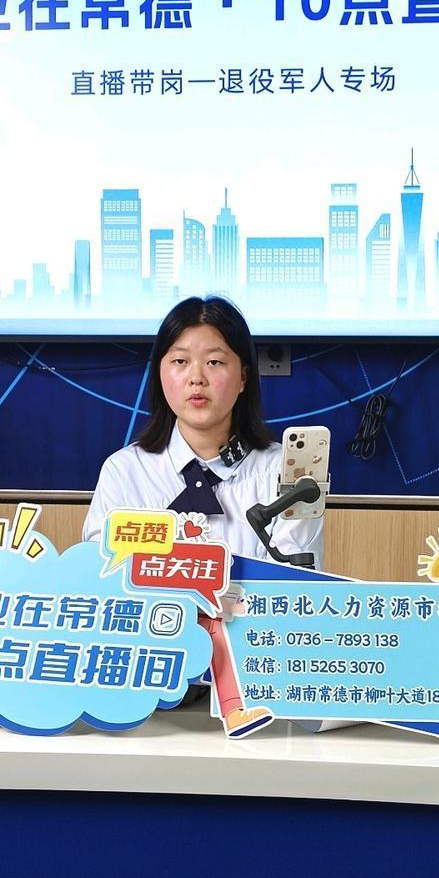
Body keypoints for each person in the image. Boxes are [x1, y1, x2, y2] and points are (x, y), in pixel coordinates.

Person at [82, 296, 324, 736]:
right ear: (160, 374)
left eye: (214, 362)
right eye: (179, 361)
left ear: (244, 376)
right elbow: (100, 581)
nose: (196, 377)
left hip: (257, 696)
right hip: (146, 697)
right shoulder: (125, 471)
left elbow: (293, 587)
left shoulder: (285, 473)